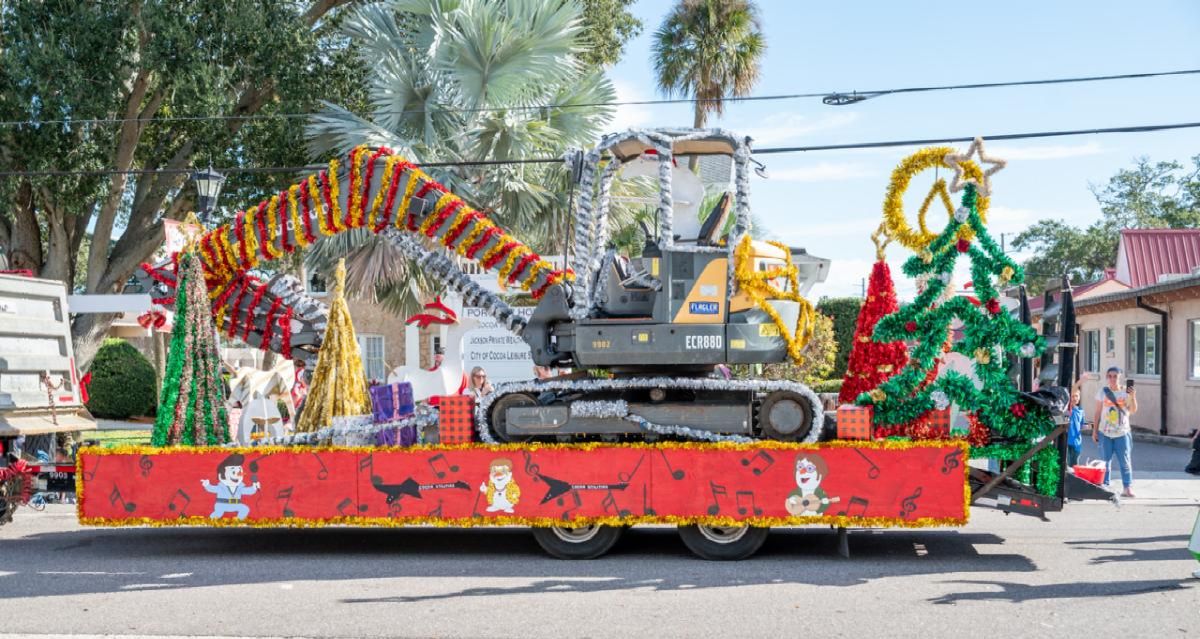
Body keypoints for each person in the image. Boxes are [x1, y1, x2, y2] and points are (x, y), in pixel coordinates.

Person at [1093, 366, 1136, 497]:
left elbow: (1133, 410)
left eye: (1115, 376)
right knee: (1105, 461)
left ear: (1120, 377)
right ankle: (1105, 486)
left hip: (1122, 432)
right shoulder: (1102, 392)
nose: (1112, 379)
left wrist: (1133, 397)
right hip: (1105, 432)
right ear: (1107, 377)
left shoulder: (1126, 393)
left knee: (1125, 461)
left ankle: (1127, 487)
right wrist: (1094, 431)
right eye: (1110, 376)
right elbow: (1098, 412)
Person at [1066, 380, 1085, 468]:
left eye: (1076, 396)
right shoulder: (1067, 409)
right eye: (1072, 396)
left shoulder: (1080, 411)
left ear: (1079, 398)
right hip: (1067, 442)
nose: (1074, 398)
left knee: (1075, 465)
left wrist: (1088, 427)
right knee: (1066, 465)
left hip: (1077, 442)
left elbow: (1081, 425)